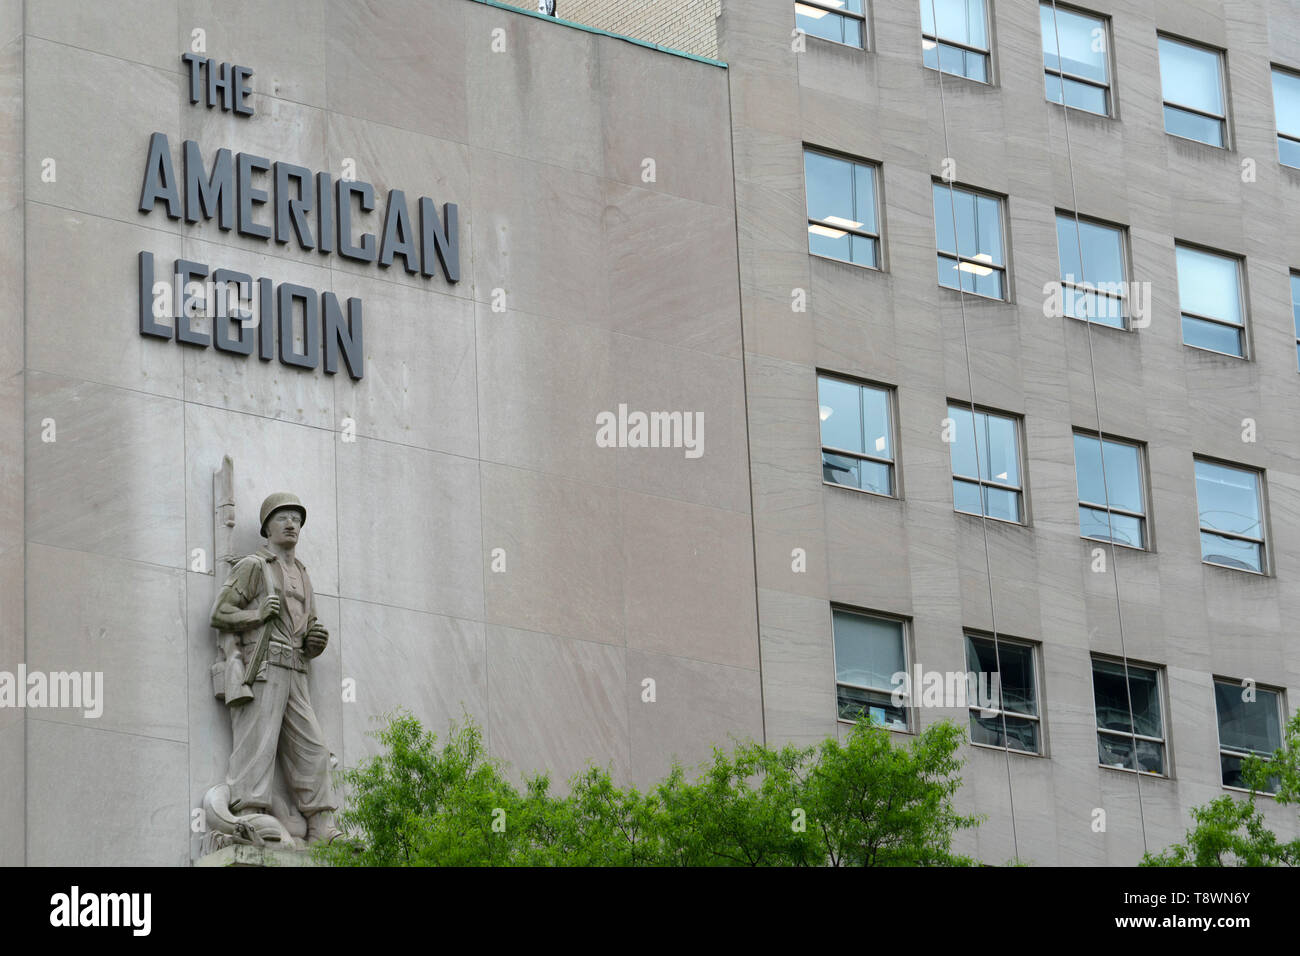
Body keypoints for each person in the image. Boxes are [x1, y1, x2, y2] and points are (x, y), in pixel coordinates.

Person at [210, 492, 340, 845]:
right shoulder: (254, 565)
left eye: (296, 519)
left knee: (312, 746)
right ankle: (250, 809)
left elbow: (305, 624)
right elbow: (219, 613)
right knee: (258, 740)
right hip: (264, 665)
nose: (291, 524)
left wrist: (316, 641)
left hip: (296, 669)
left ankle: (321, 825)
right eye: (283, 517)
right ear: (267, 526)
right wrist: (256, 614)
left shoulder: (302, 573)